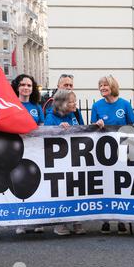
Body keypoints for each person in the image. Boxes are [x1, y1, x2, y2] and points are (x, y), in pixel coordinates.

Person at [91, 74, 134, 234]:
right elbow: (91, 128)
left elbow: (132, 126)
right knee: (106, 184)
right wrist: (97, 124)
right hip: (104, 151)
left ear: (112, 87)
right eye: (100, 85)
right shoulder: (97, 106)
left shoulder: (124, 105)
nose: (102, 88)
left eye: (105, 85)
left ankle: (122, 219)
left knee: (122, 183)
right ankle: (106, 219)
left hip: (122, 150)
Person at [44, 89, 86, 236]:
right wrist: (58, 129)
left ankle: (77, 222)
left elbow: (84, 129)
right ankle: (60, 224)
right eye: (71, 101)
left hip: (75, 157)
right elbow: (44, 135)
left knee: (77, 189)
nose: (75, 104)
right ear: (61, 104)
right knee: (62, 191)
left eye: (75, 100)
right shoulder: (51, 117)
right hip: (59, 160)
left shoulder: (75, 113)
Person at [10, 74, 45, 234]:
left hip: (35, 152)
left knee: (36, 184)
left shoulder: (37, 107)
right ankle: (21, 222)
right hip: (16, 152)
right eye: (23, 84)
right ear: (17, 87)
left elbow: (43, 128)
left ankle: (37, 220)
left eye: (29, 85)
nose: (26, 88)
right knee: (19, 184)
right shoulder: (11, 105)